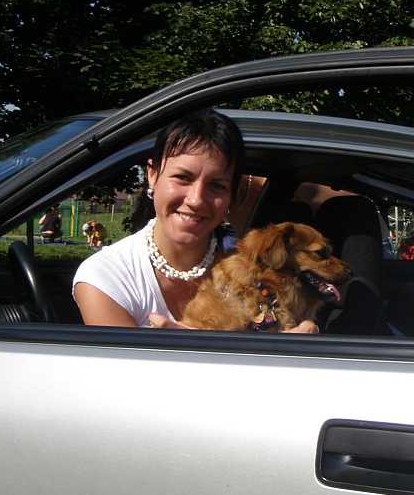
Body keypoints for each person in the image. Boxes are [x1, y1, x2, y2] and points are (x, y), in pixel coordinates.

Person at [72, 110, 317, 332]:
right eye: (182, 177)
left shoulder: (257, 271)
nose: (196, 200)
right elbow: (124, 368)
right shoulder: (107, 277)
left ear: (231, 195)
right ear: (152, 175)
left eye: (216, 185)